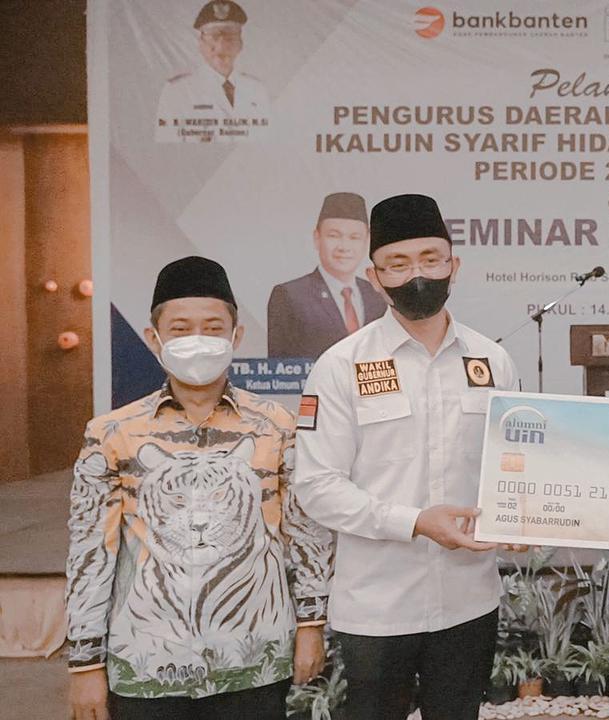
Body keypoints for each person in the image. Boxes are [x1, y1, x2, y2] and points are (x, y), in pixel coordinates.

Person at [66, 256, 334, 720]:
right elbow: (90, 552)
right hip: (147, 666)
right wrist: (85, 662)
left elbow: (305, 534)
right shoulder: (111, 432)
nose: (197, 339)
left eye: (213, 328)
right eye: (180, 328)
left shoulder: (277, 426)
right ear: (154, 338)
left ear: (236, 336)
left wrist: (311, 625)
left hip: (254, 660)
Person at [292, 194, 519, 720]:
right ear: (374, 277)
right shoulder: (341, 366)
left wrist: (522, 516)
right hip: (377, 606)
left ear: (454, 265)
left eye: (430, 259)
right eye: (397, 264)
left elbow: (514, 466)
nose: (417, 275)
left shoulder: (493, 360)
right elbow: (318, 487)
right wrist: (415, 522)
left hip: (469, 600)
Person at [268, 192, 387, 358]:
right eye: (334, 236)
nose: (344, 247)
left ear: (367, 241)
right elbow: (280, 367)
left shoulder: (378, 295)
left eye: (354, 237)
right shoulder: (290, 295)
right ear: (317, 238)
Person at [155, 0, 271, 143]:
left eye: (229, 37)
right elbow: (168, 149)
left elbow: (268, 145)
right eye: (213, 37)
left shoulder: (257, 89)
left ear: (240, 44)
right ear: (200, 44)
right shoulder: (178, 92)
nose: (221, 46)